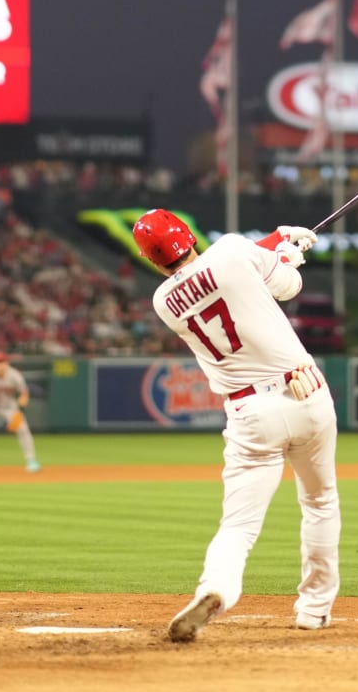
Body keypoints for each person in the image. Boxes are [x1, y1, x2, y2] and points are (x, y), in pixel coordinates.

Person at [132, 209, 340, 642]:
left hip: (249, 415)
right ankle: (314, 610)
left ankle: (216, 589)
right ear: (187, 234)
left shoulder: (163, 301)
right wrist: (287, 255)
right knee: (320, 502)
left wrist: (277, 239)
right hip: (306, 394)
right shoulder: (230, 249)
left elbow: (222, 268)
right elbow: (288, 286)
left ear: (152, 259)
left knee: (238, 525)